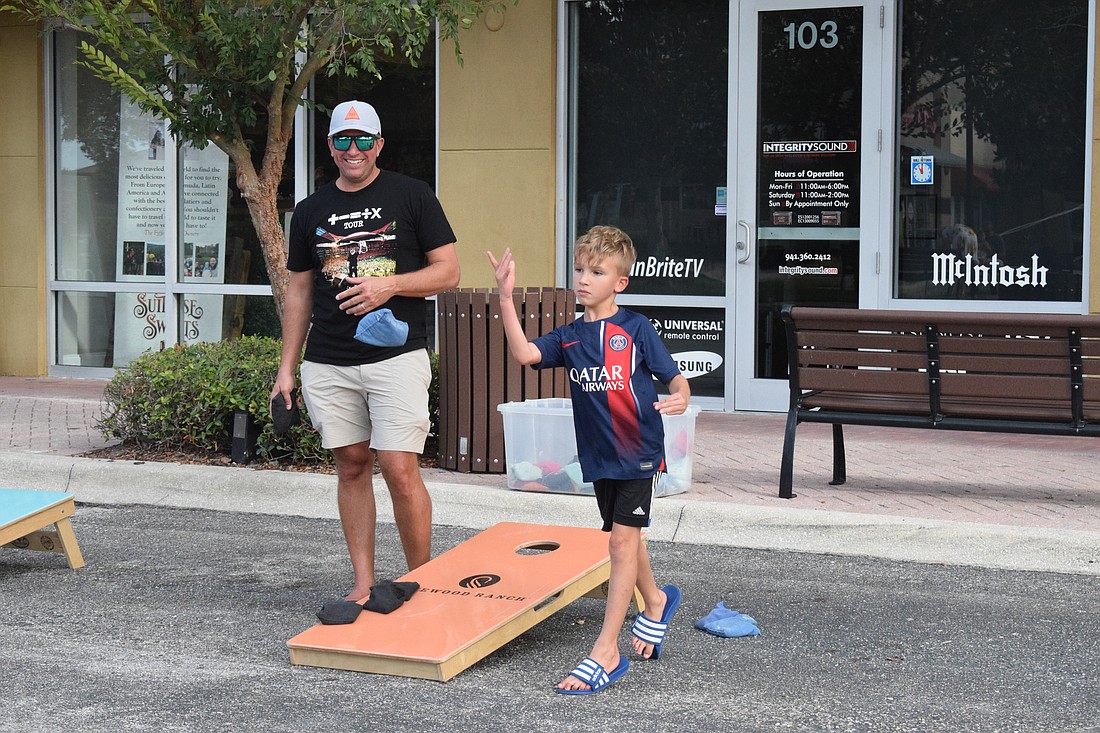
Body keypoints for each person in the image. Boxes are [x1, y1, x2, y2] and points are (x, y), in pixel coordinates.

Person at [487, 226, 690, 695]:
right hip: (598, 458)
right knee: (626, 536)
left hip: (639, 452)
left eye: (596, 272)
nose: (584, 279)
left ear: (619, 282)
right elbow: (523, 354)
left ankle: (606, 649)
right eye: (580, 269)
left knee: (620, 544)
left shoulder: (637, 328)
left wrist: (679, 399)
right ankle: (656, 600)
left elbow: (677, 383)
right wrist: (504, 296)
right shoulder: (570, 336)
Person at [272, 100, 460, 603]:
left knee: (399, 467)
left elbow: (448, 272)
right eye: (341, 141)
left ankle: (424, 581)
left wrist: (389, 286)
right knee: (352, 465)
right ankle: (363, 583)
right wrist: (286, 369)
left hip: (396, 358)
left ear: (378, 145)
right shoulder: (310, 210)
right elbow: (299, 293)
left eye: (362, 141)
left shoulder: (413, 195)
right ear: (331, 147)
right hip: (329, 360)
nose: (352, 150)